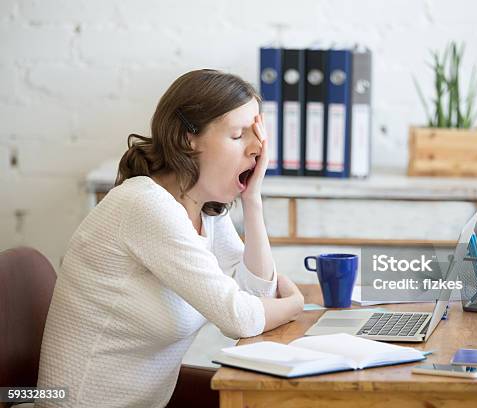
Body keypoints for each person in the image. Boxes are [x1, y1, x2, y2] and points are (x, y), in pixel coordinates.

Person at [36, 69, 304, 408]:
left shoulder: (204, 208)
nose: (255, 149)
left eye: (256, 134)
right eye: (238, 135)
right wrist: (295, 305)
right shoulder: (145, 205)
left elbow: (255, 295)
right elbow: (241, 318)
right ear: (186, 139)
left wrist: (253, 201)